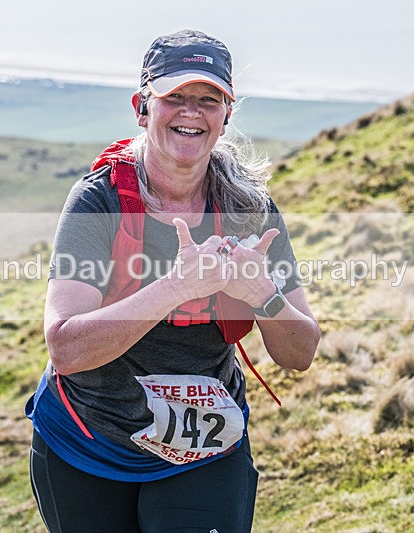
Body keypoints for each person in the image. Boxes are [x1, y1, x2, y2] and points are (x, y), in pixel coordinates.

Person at [25, 29, 320, 532]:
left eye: (209, 100)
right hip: (86, 442)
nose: (192, 111)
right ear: (142, 107)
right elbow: (66, 349)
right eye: (175, 97)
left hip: (204, 450)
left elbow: (300, 353)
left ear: (227, 117)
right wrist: (176, 287)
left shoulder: (250, 208)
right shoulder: (101, 201)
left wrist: (263, 297)